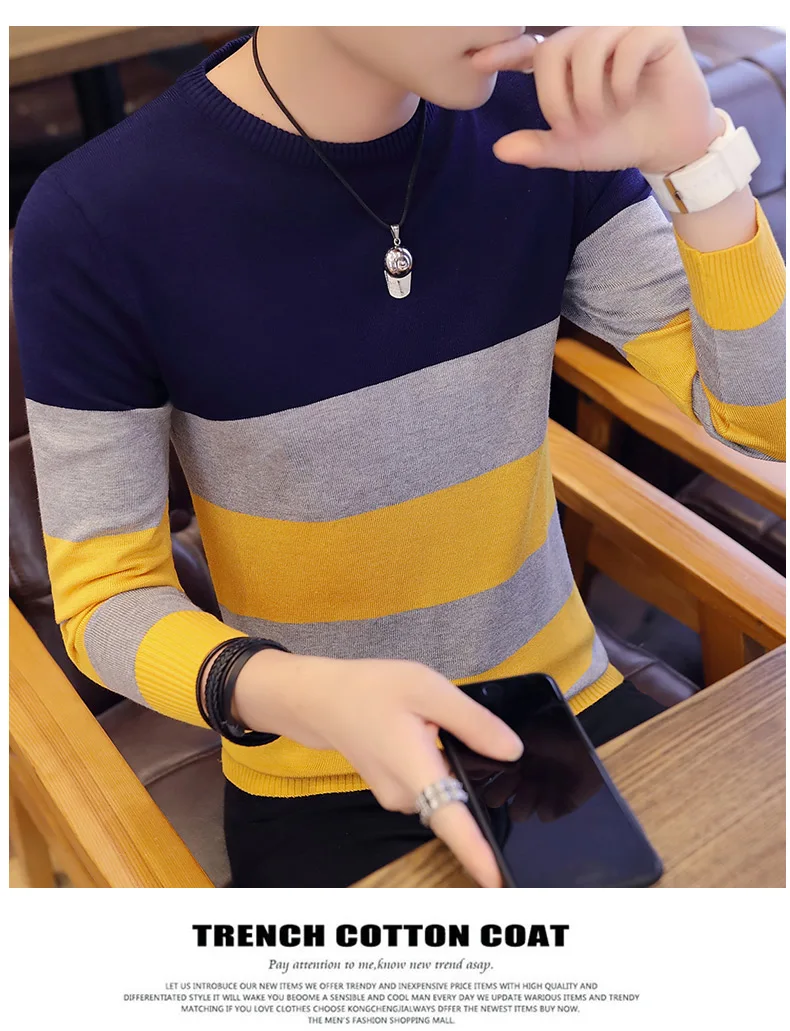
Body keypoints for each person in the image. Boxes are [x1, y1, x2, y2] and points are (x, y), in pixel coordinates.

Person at [13, 27, 785, 889]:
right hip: (318, 764)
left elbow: (766, 423)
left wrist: (699, 165)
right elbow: (106, 596)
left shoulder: (548, 128)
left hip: (564, 706)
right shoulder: (98, 217)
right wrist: (304, 694)